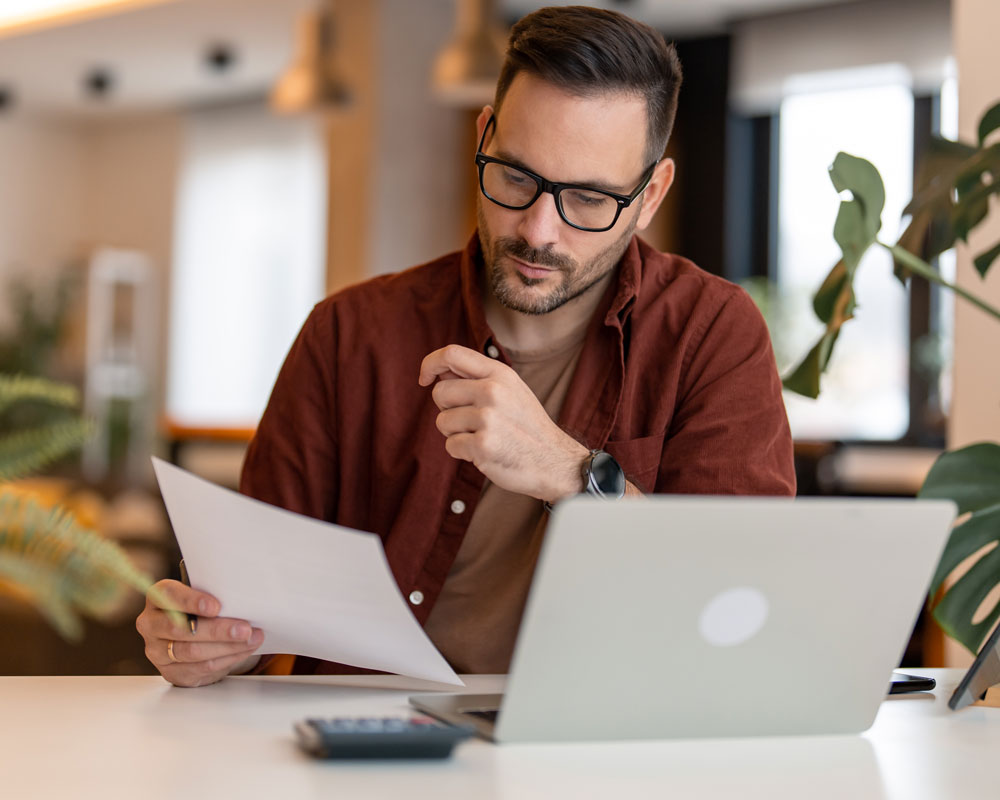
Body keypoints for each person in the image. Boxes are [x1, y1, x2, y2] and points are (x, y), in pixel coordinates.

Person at [137, 5, 795, 688]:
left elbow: (739, 602)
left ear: (650, 194)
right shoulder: (347, 335)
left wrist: (570, 474)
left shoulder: (712, 333)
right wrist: (211, 641)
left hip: (597, 744)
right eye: (515, 177)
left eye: (590, 199)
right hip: (364, 749)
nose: (539, 230)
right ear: (484, 135)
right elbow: (252, 601)